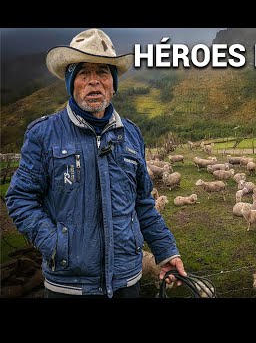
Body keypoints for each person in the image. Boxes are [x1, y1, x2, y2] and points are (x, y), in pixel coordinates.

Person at [5, 28, 186, 298]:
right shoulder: (43, 134)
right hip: (69, 286)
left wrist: (166, 250)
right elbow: (20, 198)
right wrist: (55, 244)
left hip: (127, 281)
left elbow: (143, 203)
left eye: (103, 72)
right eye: (83, 73)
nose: (94, 82)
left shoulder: (131, 135)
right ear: (71, 82)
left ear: (113, 83)